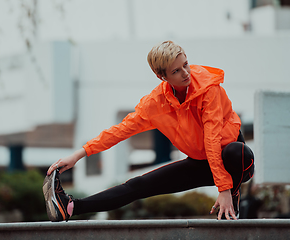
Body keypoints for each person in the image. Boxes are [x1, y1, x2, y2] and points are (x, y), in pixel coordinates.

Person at [43, 40, 255, 222]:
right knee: (139, 184)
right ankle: (70, 207)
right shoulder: (156, 104)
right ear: (161, 76)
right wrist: (78, 155)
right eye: (176, 71)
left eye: (186, 64)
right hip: (203, 162)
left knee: (236, 151)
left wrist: (224, 189)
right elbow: (120, 130)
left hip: (235, 163)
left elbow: (212, 138)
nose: (186, 73)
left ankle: (232, 200)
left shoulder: (208, 88)